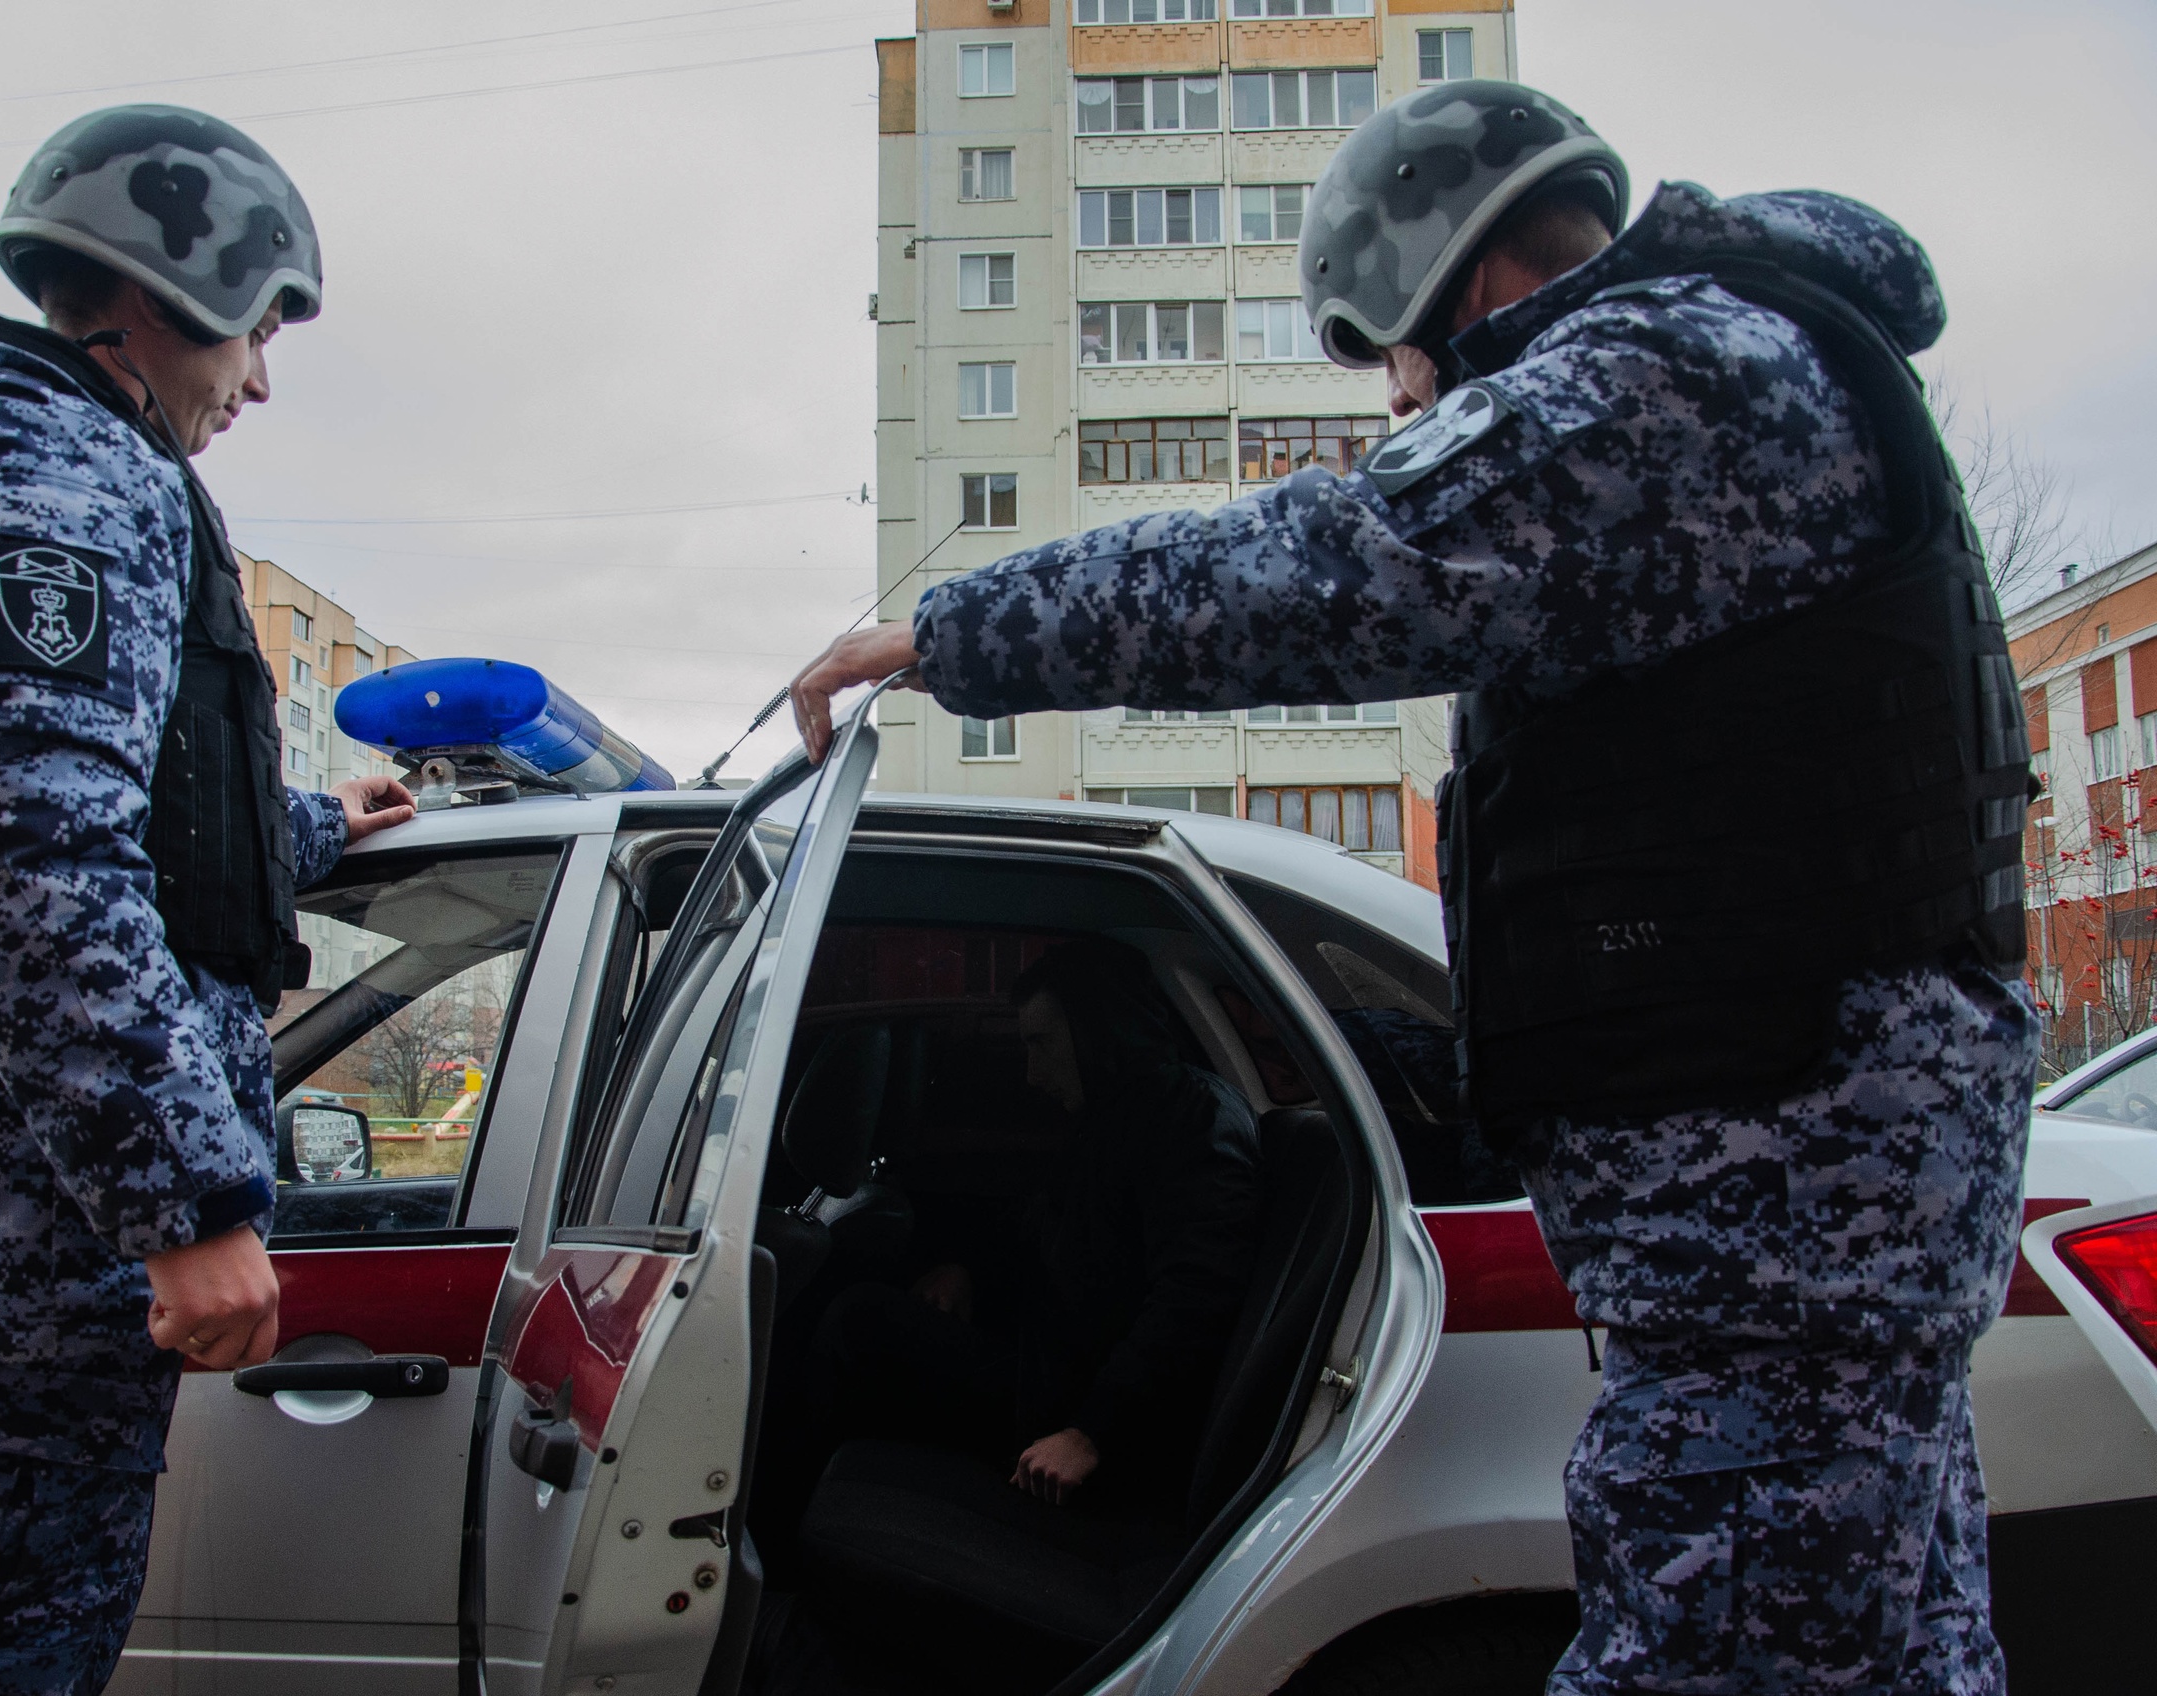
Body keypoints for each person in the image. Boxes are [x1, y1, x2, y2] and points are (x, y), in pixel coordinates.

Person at [790, 80, 2035, 1694]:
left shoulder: (1649, 386)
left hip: (1780, 1225)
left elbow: (1315, 572)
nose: (1400, 407)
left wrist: (949, 639)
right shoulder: (1732, 372)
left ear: (1460, 288)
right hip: (1811, 1213)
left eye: (1393, 361)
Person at [0, 105, 414, 1694]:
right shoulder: (21, 448)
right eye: (253, 332)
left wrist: (314, 822)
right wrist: (185, 1200)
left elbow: (104, 808)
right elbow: (12, 846)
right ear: (160, 289)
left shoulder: (24, 446)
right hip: (9, 1202)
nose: (256, 380)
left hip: (13, 1191)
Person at [808, 941, 1261, 1512]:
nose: (1031, 1074)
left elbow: (1196, 1297)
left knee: (859, 1321)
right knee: (872, 1314)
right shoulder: (1105, 1119)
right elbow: (1037, 1225)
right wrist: (966, 1270)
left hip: (1077, 1413)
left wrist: (1091, 1432)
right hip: (1045, 1366)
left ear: (1097, 1031)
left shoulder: (1193, 1123)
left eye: (1040, 1045)